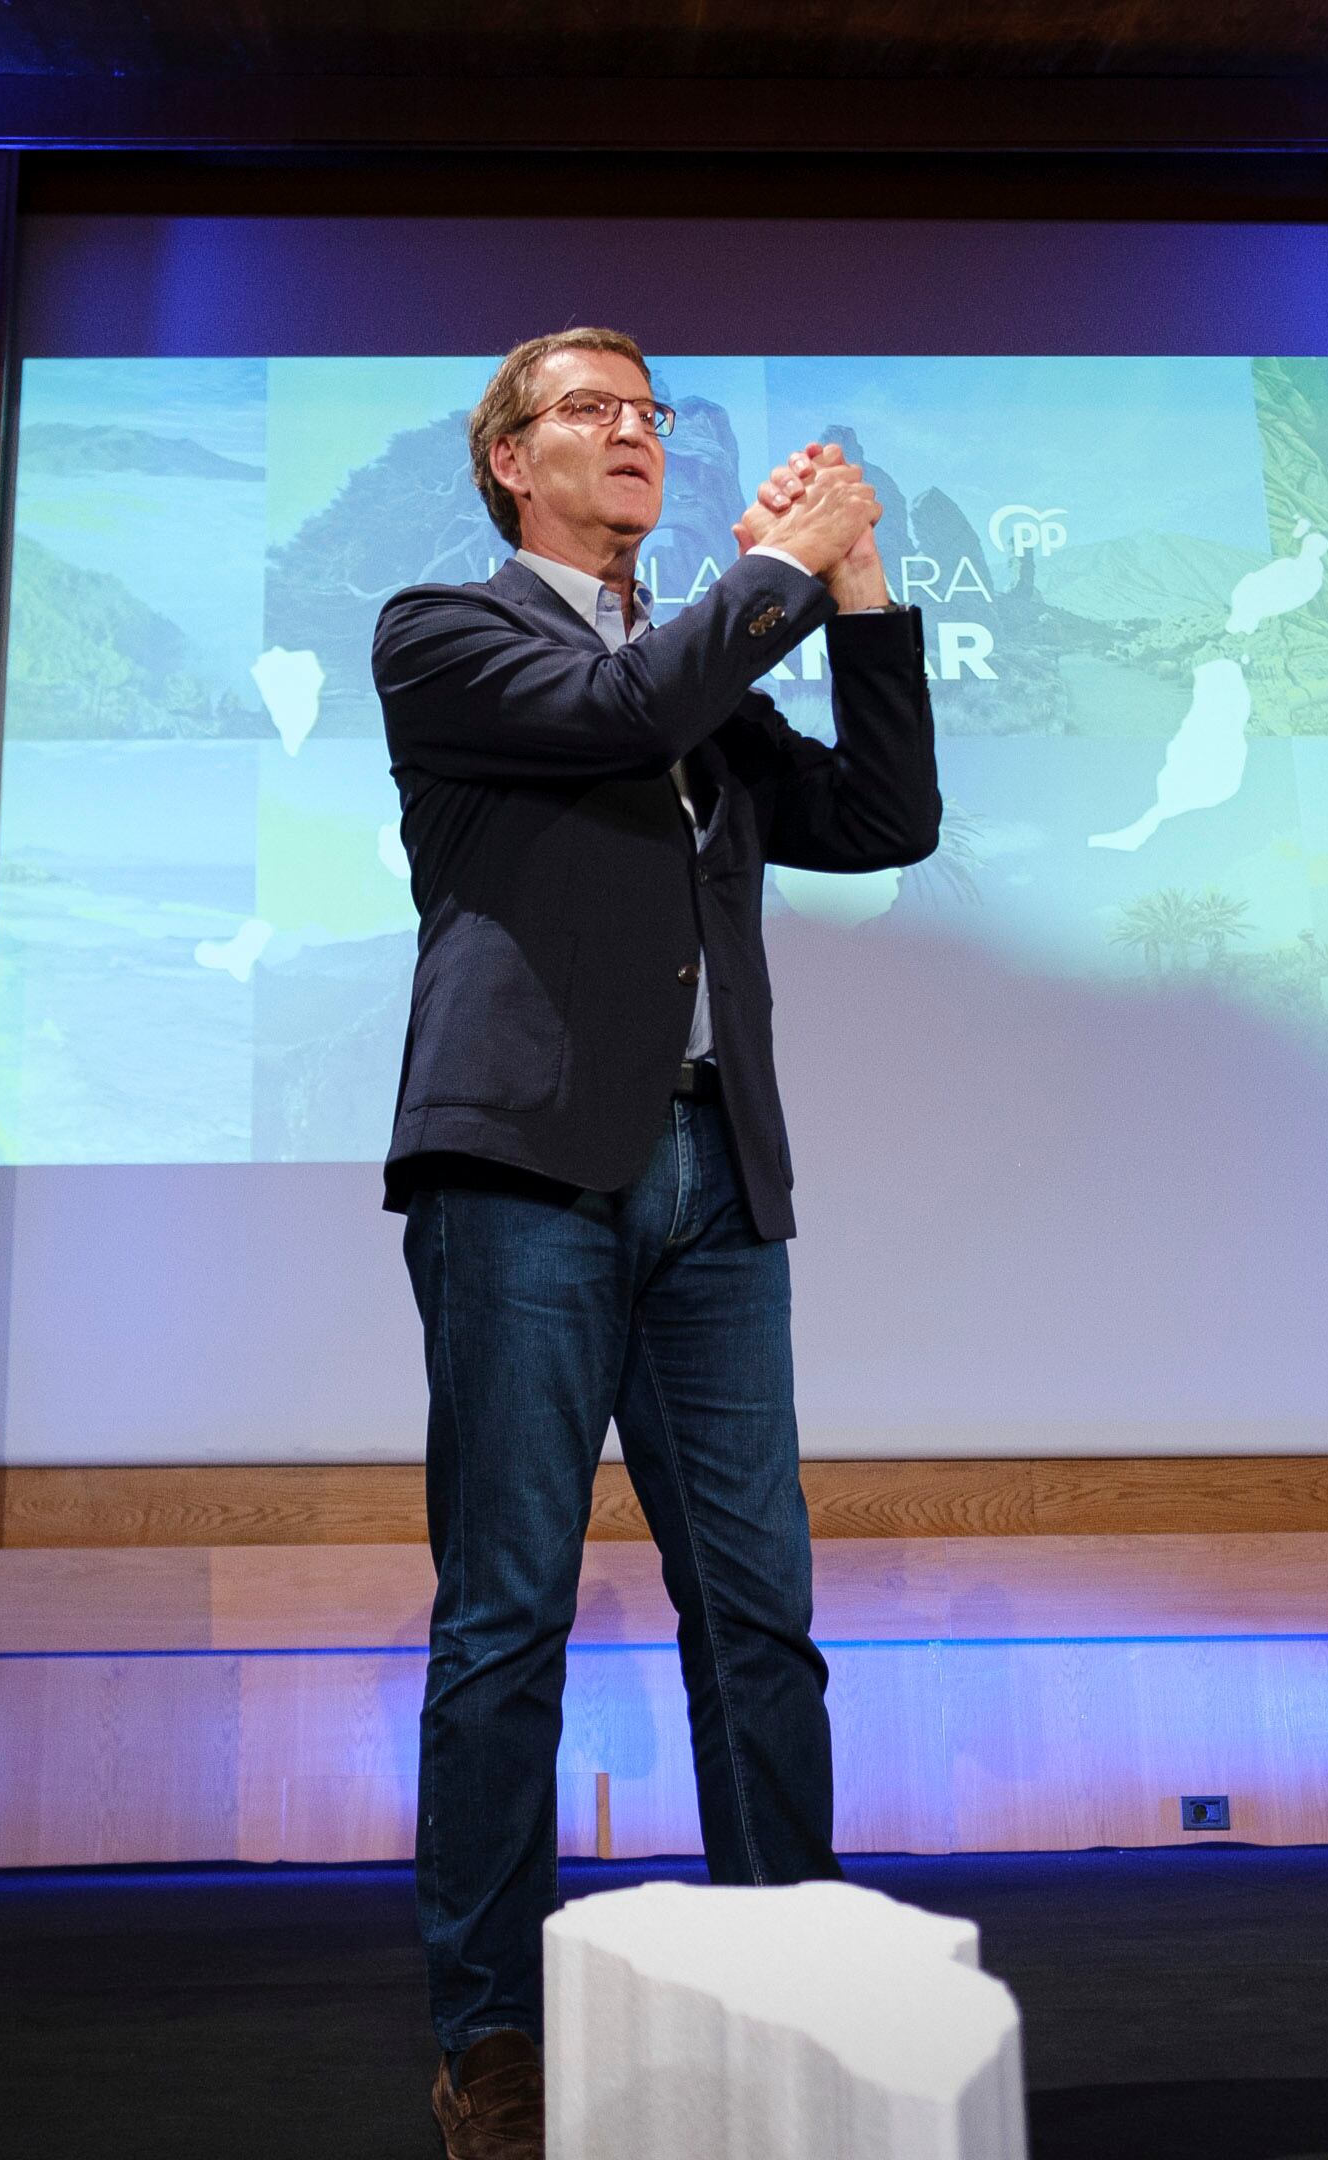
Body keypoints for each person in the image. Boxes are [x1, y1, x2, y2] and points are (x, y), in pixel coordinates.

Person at [372, 327, 941, 2160]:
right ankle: (493, 2045)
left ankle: (799, 1991)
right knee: (506, 1620)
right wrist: (769, 570)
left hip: (715, 1179)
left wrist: (858, 591)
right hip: (528, 1170)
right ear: (510, 465)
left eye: (651, 414)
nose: (634, 434)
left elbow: (880, 819)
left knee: (759, 1618)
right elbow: (623, 718)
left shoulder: (709, 679)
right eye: (591, 414)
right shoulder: (444, 635)